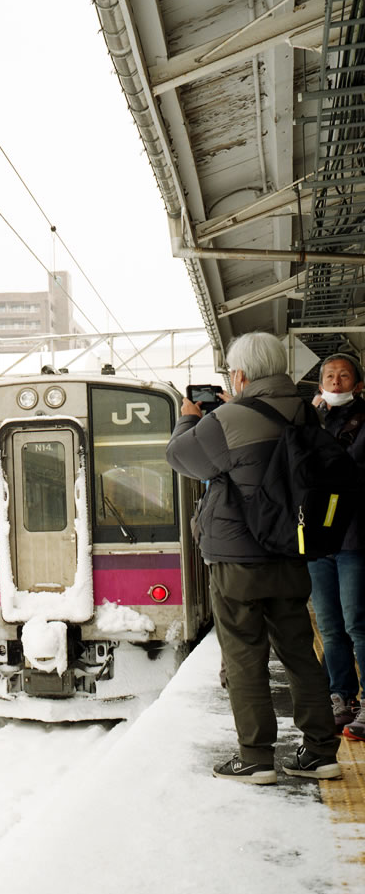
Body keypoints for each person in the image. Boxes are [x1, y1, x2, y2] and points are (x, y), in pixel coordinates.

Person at [166, 332, 342, 784]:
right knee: (299, 652)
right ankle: (320, 753)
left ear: (240, 375)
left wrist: (189, 419)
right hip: (291, 551)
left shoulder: (228, 418)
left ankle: (256, 757)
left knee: (245, 654)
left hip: (238, 557)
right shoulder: (306, 410)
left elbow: (181, 458)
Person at [308, 352, 365, 740]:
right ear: (320, 385)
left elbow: (345, 468)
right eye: (329, 376)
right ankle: (342, 697)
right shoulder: (311, 422)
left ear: (358, 385)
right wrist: (310, 423)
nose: (336, 381)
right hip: (318, 538)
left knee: (357, 623)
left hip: (355, 537)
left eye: (344, 376)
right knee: (329, 626)